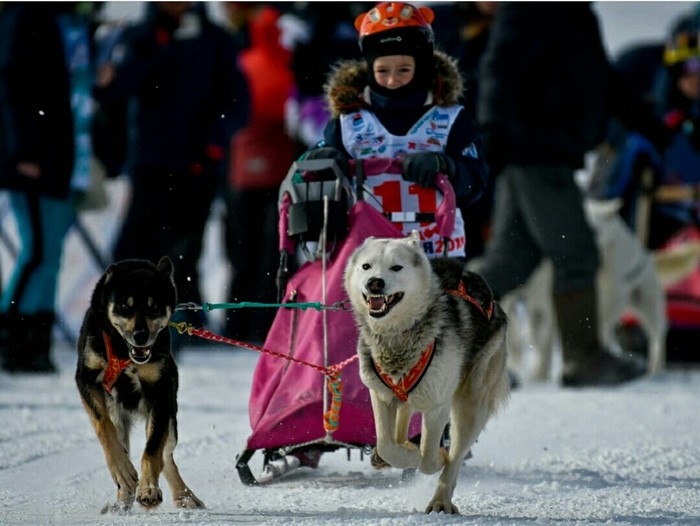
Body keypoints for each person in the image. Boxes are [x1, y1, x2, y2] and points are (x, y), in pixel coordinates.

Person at [473, 2, 672, 387]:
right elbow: (499, 67)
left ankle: (443, 339)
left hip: (543, 152)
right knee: (577, 253)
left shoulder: (575, 14)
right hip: (536, 151)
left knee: (513, 261)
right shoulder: (529, 10)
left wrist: (649, 125)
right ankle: (583, 358)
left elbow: (602, 78)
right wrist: (493, 130)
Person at [93, 2, 248, 347]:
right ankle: (123, 323)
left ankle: (182, 323)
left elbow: (237, 100)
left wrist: (215, 143)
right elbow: (114, 90)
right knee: (136, 247)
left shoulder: (215, 39)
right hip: (150, 162)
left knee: (184, 249)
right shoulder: (140, 36)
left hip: (199, 165)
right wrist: (149, 46)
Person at [307, 0, 489, 260]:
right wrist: (324, 163)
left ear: (421, 65)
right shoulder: (348, 124)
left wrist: (445, 166)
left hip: (436, 255)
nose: (393, 80)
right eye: (383, 70)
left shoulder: (451, 119)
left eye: (404, 70)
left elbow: (475, 183)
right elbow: (311, 171)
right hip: (367, 260)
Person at [0, 3, 97, 372]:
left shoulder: (64, 20)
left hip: (60, 158)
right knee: (37, 250)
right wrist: (22, 149)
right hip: (32, 159)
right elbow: (12, 85)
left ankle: (36, 340)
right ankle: (12, 337)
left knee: (50, 253)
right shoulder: (24, 16)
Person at [222, 5, 294, 343]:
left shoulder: (244, 62)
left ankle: (241, 321)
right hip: (274, 162)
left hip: (246, 162)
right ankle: (261, 322)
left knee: (245, 248)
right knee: (270, 249)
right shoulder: (282, 64)